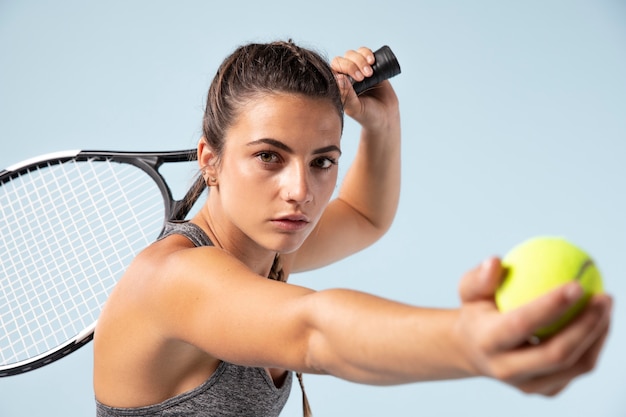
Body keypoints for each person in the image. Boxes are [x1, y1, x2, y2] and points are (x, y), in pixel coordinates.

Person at [93, 40, 612, 417]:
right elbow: (314, 331)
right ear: (210, 159)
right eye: (269, 156)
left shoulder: (267, 248)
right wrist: (469, 342)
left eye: (322, 161)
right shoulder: (172, 279)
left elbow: (365, 217)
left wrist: (383, 126)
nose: (301, 190)